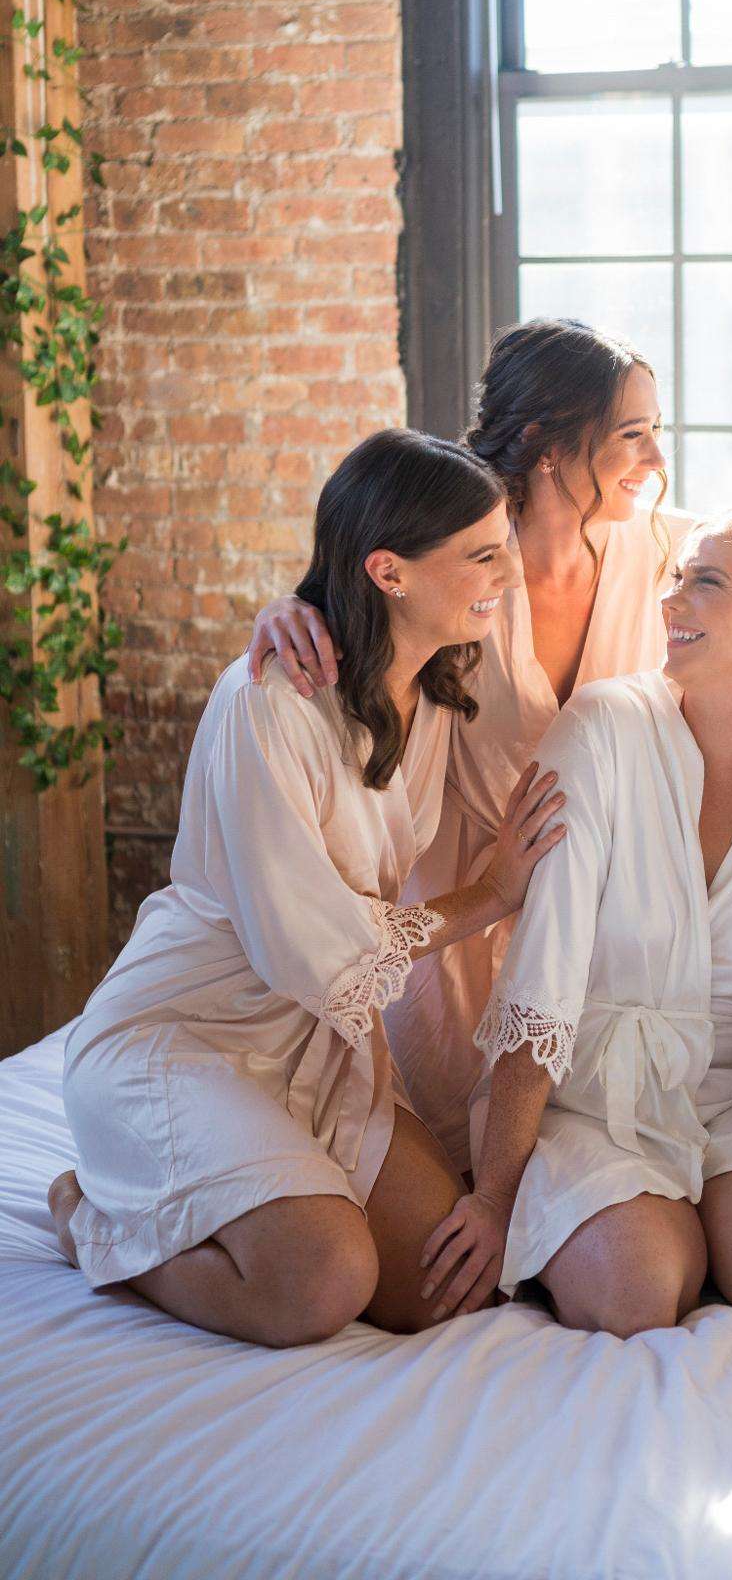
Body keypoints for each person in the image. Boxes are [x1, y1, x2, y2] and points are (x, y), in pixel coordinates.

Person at [48, 430, 565, 1347]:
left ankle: (251, 1193)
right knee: (321, 1280)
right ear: (389, 573)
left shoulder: (441, 690)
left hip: (319, 1037)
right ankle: (91, 1217)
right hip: (189, 1029)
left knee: (437, 1290)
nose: (509, 574)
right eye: (483, 555)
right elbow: (308, 945)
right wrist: (491, 894)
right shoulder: (268, 702)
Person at [245, 321, 691, 1171]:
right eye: (632, 434)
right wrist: (286, 608)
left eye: (654, 430)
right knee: (460, 1162)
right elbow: (372, 582)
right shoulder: (463, 562)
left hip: (595, 901)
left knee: (577, 1155)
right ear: (545, 444)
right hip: (455, 895)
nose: (655, 458)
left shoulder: (660, 550)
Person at [417, 511, 732, 1337]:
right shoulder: (604, 729)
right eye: (675, 577)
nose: (672, 601)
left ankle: (705, 1231)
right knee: (634, 1289)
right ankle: (658, 1231)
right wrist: (494, 1198)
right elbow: (541, 985)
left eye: (707, 582)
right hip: (592, 1096)